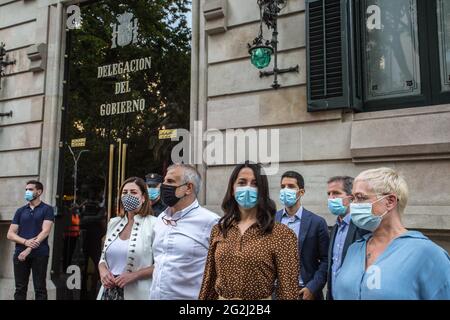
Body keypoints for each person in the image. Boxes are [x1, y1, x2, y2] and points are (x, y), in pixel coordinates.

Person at [334, 167, 450, 299]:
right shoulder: (355, 249)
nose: (354, 205)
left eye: (360, 198)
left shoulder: (427, 254)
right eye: (353, 199)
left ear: (390, 202)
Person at [199, 162, 300, 300]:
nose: (248, 188)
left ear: (262, 191)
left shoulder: (281, 234)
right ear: (232, 190)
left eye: (254, 184)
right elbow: (209, 281)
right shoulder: (219, 230)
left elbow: (288, 291)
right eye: (242, 182)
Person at [150, 164, 219, 300]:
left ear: (188, 188)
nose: (163, 186)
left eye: (170, 182)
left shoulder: (211, 222)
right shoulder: (160, 219)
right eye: (164, 181)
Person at [97, 177, 156, 300]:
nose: (128, 196)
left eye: (133, 192)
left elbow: (162, 263)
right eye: (125, 193)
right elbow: (103, 257)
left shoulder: (154, 224)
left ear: (143, 197)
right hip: (109, 292)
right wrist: (103, 271)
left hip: (139, 293)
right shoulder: (114, 223)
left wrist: (134, 275)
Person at [275, 171, 329, 300]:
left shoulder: (317, 222)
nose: (285, 190)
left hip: (304, 292)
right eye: (283, 187)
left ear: (301, 192)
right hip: (276, 292)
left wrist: (312, 287)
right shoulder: (270, 220)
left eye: (291, 186)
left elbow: (326, 260)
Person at [6, 180, 54, 300]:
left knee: (40, 288)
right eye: (26, 189)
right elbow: (10, 234)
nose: (27, 192)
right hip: (19, 254)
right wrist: (25, 242)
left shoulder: (47, 209)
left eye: (30, 189)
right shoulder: (20, 211)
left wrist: (28, 249)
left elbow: (45, 232)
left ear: (39, 192)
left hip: (40, 254)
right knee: (20, 288)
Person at [326, 176, 368, 300]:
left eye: (336, 193)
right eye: (329, 193)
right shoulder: (335, 228)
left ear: (351, 198)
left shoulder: (363, 228)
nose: (331, 198)